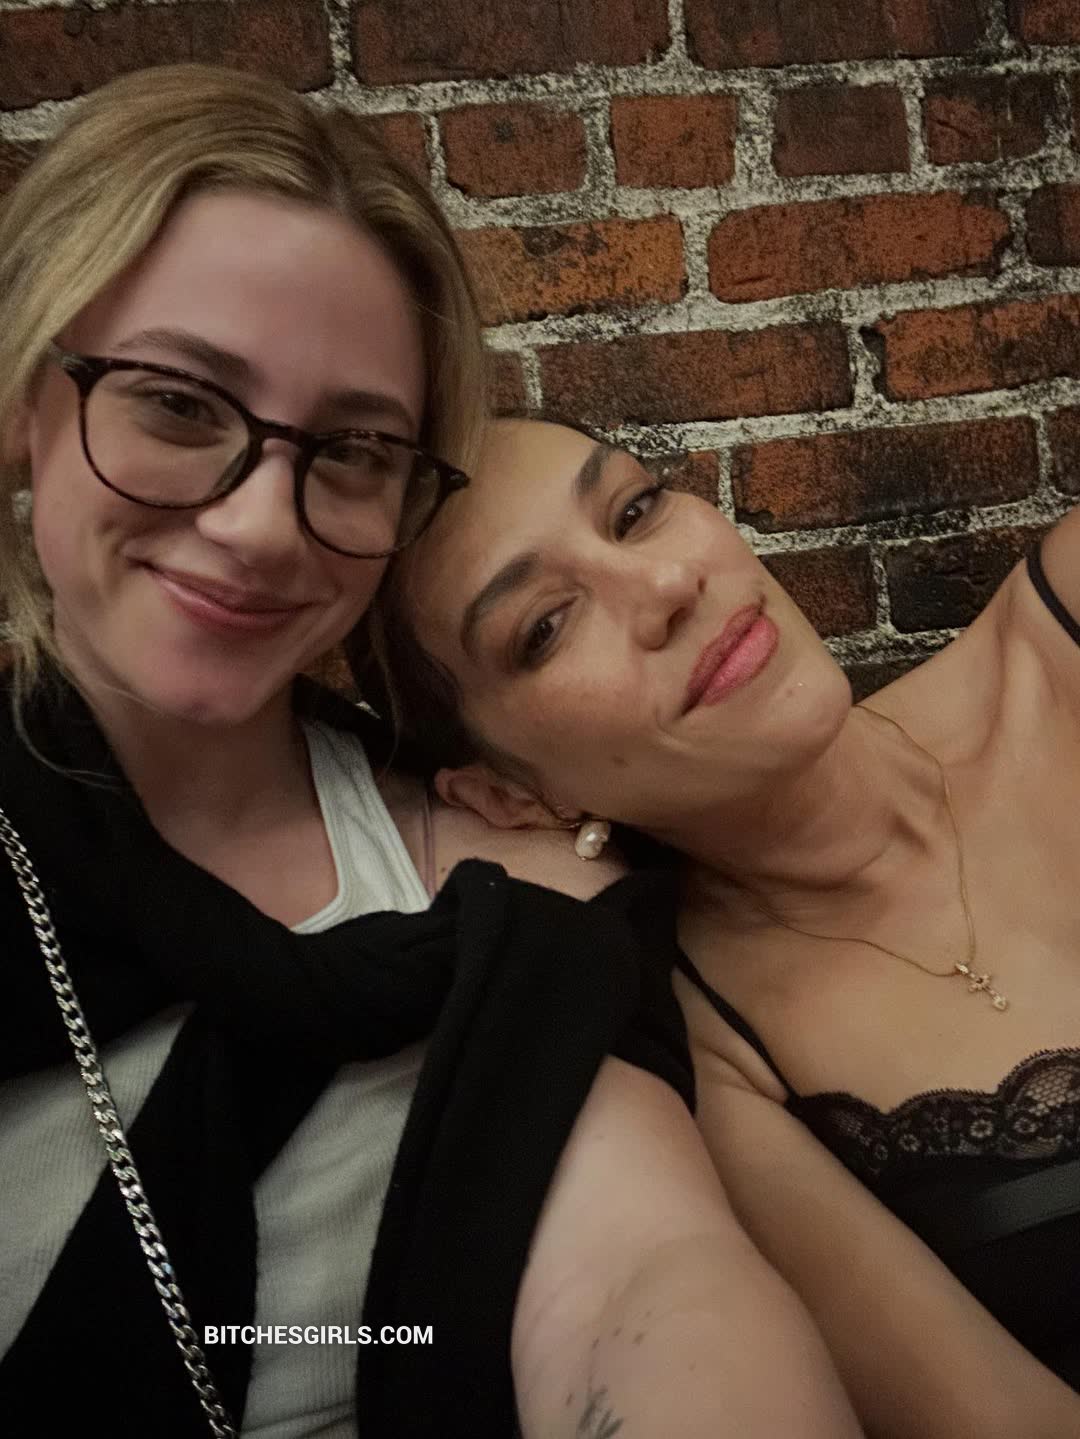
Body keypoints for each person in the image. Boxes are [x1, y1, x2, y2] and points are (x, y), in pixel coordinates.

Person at [0, 66, 863, 1439]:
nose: (261, 525)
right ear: (24, 408)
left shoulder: (503, 889)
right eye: (177, 404)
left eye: (353, 448)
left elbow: (642, 1276)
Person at [371, 415, 1080, 1438]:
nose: (666, 585)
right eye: (546, 625)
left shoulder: (1061, 633)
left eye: (635, 510)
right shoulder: (713, 1068)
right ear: (507, 793)